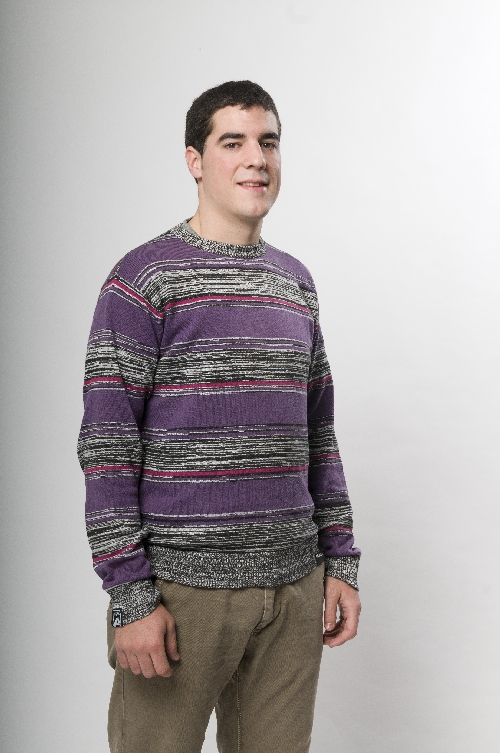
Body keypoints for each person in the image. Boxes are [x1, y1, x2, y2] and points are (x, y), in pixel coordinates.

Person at [77, 80, 361, 753]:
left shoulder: (295, 283)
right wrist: (131, 595)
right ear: (195, 161)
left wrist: (341, 561)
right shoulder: (143, 280)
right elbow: (108, 445)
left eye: (268, 142)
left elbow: (318, 435)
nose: (256, 158)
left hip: (294, 590)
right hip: (181, 595)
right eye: (232, 142)